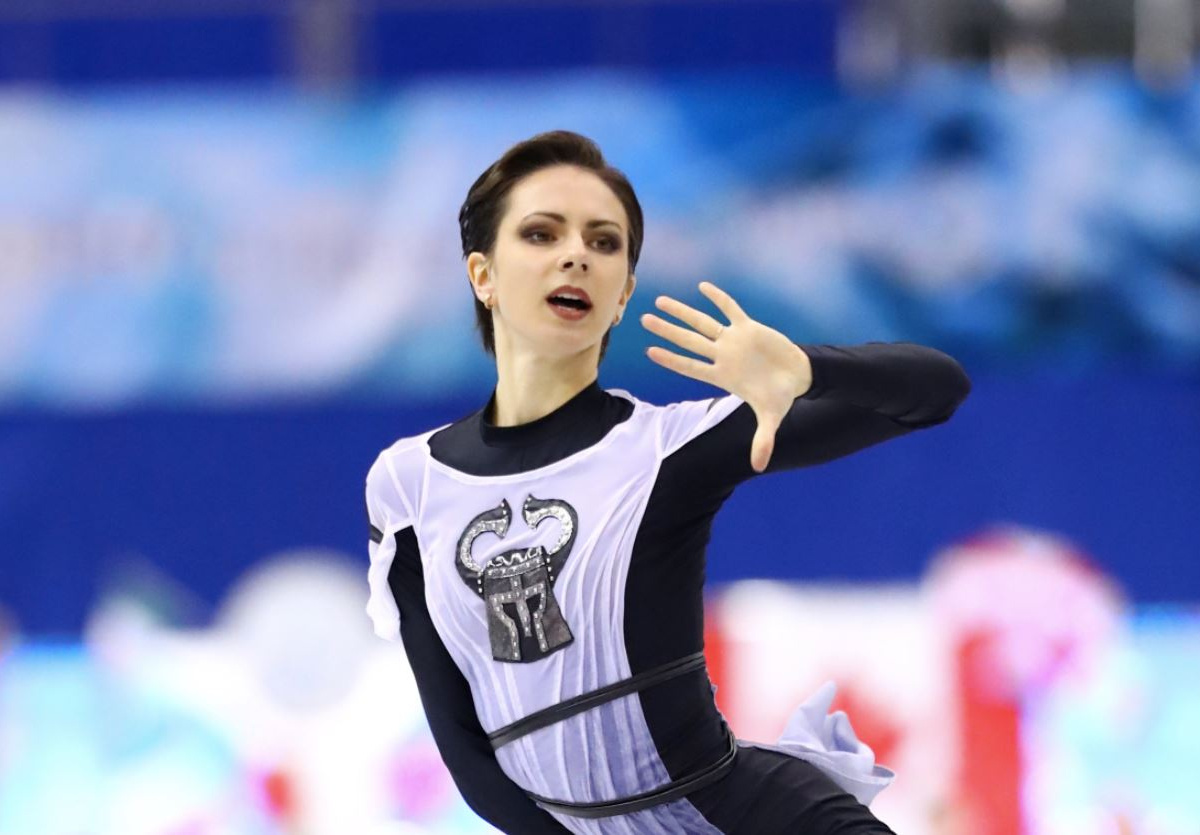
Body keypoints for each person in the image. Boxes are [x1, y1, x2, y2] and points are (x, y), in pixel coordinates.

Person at [364, 130, 971, 834]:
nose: (575, 255)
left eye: (604, 242)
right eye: (541, 233)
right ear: (483, 275)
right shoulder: (408, 486)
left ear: (623, 293)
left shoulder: (667, 446)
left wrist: (810, 369)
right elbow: (466, 751)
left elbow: (937, 391)